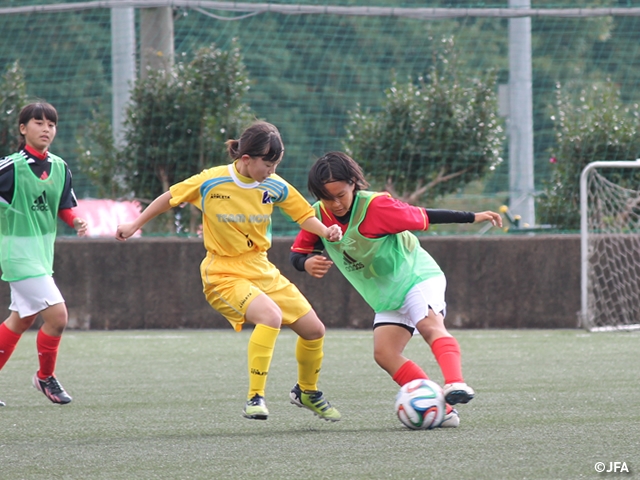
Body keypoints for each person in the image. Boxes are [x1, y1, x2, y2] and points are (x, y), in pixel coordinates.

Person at [115, 121, 342, 422]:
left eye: (276, 163)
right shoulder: (212, 181)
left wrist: (326, 231)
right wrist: (134, 225)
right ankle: (255, 397)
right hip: (223, 272)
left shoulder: (274, 185)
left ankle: (307, 391)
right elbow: (169, 198)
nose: (272, 170)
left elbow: (303, 214)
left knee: (314, 330)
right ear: (246, 159)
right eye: (268, 163)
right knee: (270, 316)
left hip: (261, 267)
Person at [290, 151, 502, 427]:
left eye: (340, 194)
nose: (335, 203)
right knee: (385, 354)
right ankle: (441, 408)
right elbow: (297, 255)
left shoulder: (378, 207)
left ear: (354, 183)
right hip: (387, 295)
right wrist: (306, 264)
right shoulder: (317, 217)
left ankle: (454, 383)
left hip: (416, 276)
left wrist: (473, 217)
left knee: (429, 325)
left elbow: (424, 216)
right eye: (326, 197)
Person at [0, 102, 88, 407]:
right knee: (58, 316)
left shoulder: (60, 167)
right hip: (17, 255)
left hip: (41, 256)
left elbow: (64, 206)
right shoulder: (10, 167)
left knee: (20, 321)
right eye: (38, 123)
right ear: (23, 129)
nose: (46, 129)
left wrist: (74, 220)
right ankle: (44, 377)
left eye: (51, 124)